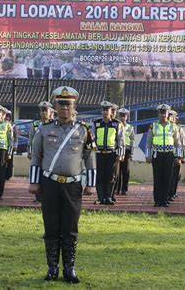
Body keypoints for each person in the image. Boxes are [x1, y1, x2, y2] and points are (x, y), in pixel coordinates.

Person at [29, 86, 96, 283]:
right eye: (61, 104)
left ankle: (69, 268)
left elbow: (90, 158)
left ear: (74, 106)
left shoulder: (83, 130)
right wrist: (34, 182)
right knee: (51, 226)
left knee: (70, 227)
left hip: (73, 186)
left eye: (69, 104)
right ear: (55, 106)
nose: (65, 108)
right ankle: (52, 268)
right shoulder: (44, 129)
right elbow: (36, 157)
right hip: (49, 184)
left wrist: (90, 184)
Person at [146, 104, 182, 207]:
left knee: (168, 177)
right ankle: (157, 201)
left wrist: (178, 157)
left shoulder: (173, 126)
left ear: (168, 114)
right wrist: (148, 156)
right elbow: (148, 142)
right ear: (158, 114)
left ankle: (165, 200)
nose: (163, 115)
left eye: (165, 113)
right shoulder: (153, 125)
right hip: (157, 154)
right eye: (161, 113)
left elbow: (177, 142)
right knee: (157, 178)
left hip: (169, 155)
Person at [92, 101, 124, 205]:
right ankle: (100, 197)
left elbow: (120, 141)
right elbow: (92, 139)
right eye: (103, 110)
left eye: (107, 110)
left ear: (111, 111)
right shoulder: (96, 123)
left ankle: (108, 197)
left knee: (111, 176)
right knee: (100, 176)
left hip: (112, 153)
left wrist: (120, 154)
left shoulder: (116, 124)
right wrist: (92, 153)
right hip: (99, 153)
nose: (105, 112)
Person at [28, 101, 54, 202]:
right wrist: (30, 152)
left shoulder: (54, 124)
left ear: (50, 111)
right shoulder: (36, 124)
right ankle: (38, 197)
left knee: (48, 176)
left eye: (45, 110)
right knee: (37, 175)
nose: (43, 113)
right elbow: (30, 140)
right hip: (38, 154)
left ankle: (47, 197)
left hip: (49, 154)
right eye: (42, 111)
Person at [168, 110, 185, 201]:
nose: (170, 118)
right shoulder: (165, 128)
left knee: (175, 176)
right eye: (169, 116)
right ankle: (168, 193)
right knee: (168, 176)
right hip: (167, 155)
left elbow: (183, 144)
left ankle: (173, 192)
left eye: (172, 117)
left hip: (177, 156)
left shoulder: (179, 129)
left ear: (175, 119)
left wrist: (182, 157)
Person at [116, 108, 134, 195]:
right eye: (121, 115)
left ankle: (124, 189)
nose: (123, 117)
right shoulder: (115, 125)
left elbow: (132, 140)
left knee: (126, 171)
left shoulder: (130, 127)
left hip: (126, 150)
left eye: (125, 116)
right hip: (118, 150)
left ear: (127, 117)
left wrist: (131, 152)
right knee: (117, 171)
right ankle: (117, 189)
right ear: (119, 116)